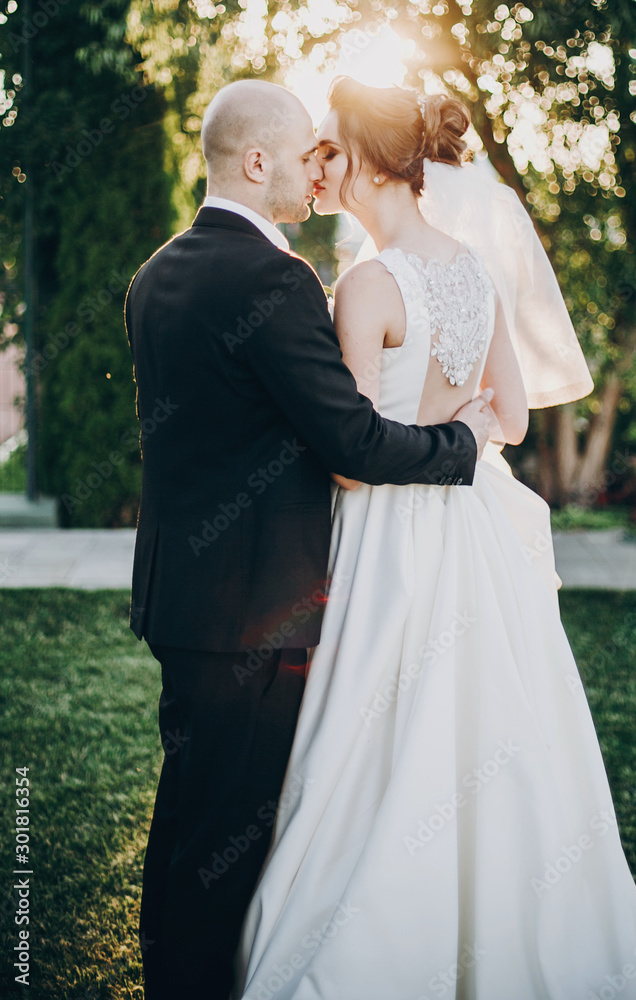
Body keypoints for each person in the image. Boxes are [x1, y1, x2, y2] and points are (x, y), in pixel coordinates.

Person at [232, 78, 636, 999]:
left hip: (386, 539)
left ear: (368, 162)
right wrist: (457, 432)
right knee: (491, 727)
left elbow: (353, 463)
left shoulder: (366, 284)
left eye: (330, 150)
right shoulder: (472, 268)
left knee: (374, 733)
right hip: (471, 531)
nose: (318, 165)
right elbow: (509, 416)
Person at [124, 79, 495, 999]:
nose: (314, 171)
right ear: (257, 162)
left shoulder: (156, 274)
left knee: (186, 817)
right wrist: (462, 444)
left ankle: (166, 975)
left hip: (180, 600)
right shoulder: (274, 280)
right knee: (223, 842)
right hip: (254, 611)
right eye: (301, 156)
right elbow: (352, 442)